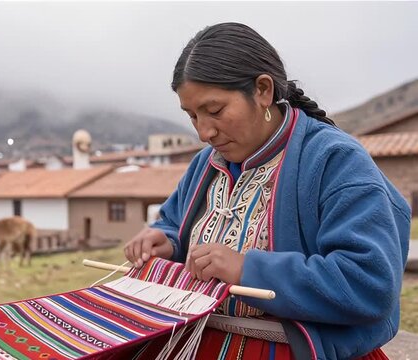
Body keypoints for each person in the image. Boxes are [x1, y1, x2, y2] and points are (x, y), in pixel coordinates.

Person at [124, 22, 410, 360]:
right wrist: (166, 240)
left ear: (262, 90)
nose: (204, 132)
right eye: (192, 116)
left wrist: (248, 270)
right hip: (196, 336)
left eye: (214, 111)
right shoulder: (206, 165)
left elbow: (369, 283)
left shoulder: (336, 160)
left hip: (294, 348)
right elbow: (176, 223)